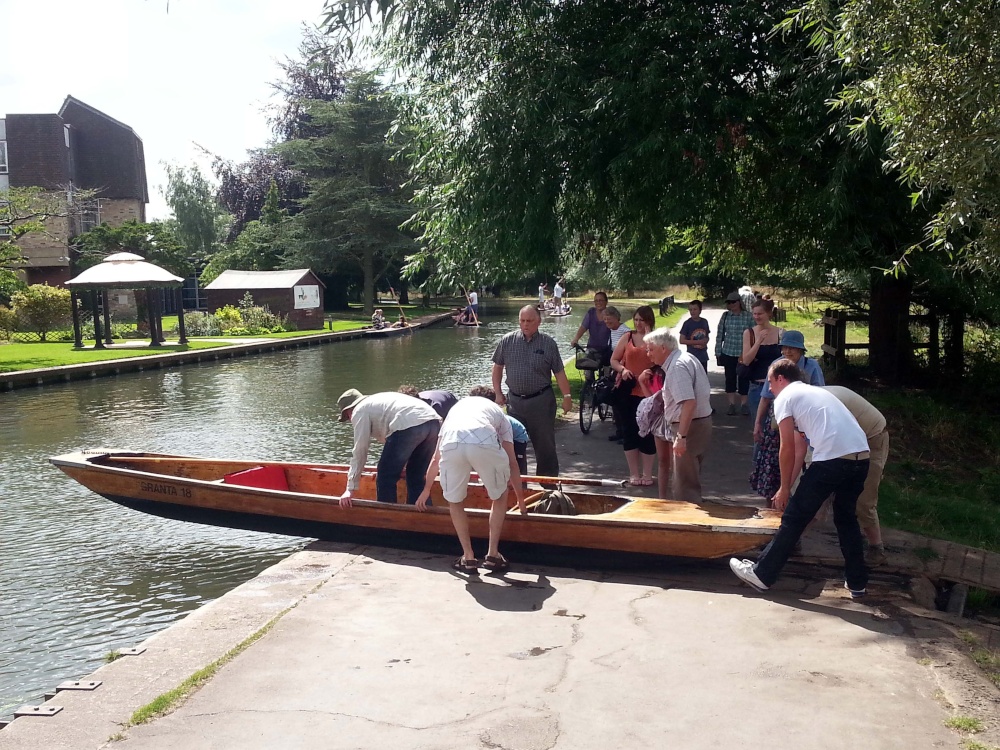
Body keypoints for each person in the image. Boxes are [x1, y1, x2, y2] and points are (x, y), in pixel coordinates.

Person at [730, 359, 870, 598]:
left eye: (770, 382)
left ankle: (762, 574)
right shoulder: (814, 393)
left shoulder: (786, 397)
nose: (769, 388)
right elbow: (800, 447)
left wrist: (785, 488)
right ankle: (857, 582)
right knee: (846, 519)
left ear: (781, 379)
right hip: (861, 457)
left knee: (794, 517)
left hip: (832, 459)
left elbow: (785, 447)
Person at [415, 387, 526, 573]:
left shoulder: (455, 410)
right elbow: (512, 463)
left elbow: (435, 459)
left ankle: (468, 557)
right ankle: (492, 554)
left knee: (455, 500)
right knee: (499, 495)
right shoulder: (499, 414)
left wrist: (426, 489)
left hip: (452, 442)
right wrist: (521, 501)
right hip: (483, 439)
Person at [492, 305, 574, 478]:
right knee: (513, 444)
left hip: (541, 401)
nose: (525, 324)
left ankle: (548, 484)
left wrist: (567, 396)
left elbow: (559, 372)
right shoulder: (507, 341)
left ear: (539, 322)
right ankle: (518, 483)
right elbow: (497, 367)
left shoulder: (548, 343)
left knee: (545, 446)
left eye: (529, 321)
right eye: (522, 321)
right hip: (514, 402)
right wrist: (498, 392)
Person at [640, 327, 713, 501]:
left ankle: (686, 523)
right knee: (689, 477)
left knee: (684, 484)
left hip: (690, 425)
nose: (648, 355)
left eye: (651, 349)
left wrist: (681, 436)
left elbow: (689, 402)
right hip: (699, 422)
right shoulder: (686, 358)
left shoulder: (677, 367)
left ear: (663, 348)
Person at [750, 330, 825, 500]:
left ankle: (795, 498)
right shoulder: (776, 365)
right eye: (784, 348)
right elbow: (765, 397)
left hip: (804, 418)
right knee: (774, 460)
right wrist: (757, 424)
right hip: (778, 416)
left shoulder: (811, 366)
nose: (787, 352)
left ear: (801, 350)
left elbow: (820, 392)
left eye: (792, 348)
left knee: (801, 457)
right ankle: (773, 501)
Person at [337, 389, 441, 508]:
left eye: (348, 418)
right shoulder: (377, 402)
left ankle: (388, 519)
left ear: (348, 412)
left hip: (409, 425)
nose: (351, 421)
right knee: (416, 475)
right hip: (434, 423)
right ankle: (422, 520)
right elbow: (399, 441)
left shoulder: (359, 411)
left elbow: (360, 449)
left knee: (385, 476)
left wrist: (350, 489)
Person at [823, 386, 889, 566]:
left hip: (871, 438)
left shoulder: (823, 408)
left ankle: (876, 548)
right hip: (847, 438)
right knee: (814, 493)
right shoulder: (809, 403)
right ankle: (792, 540)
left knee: (864, 498)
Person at [610, 305, 657, 486]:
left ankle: (647, 474)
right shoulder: (628, 337)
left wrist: (650, 336)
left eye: (641, 320)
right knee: (630, 432)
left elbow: (661, 359)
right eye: (636, 319)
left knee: (647, 434)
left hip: (648, 393)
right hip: (628, 392)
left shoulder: (655, 338)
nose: (638, 323)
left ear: (649, 321)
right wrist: (622, 370)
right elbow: (613, 360)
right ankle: (634, 473)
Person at [742, 298, 783, 428]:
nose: (756, 317)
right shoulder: (749, 333)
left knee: (778, 428)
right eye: (754, 314)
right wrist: (758, 341)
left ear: (769, 314)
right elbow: (746, 360)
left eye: (760, 314)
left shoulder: (781, 333)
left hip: (778, 387)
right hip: (757, 387)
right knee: (759, 428)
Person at [715, 292, 754, 416]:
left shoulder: (748, 316)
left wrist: (753, 352)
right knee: (730, 379)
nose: (731, 304)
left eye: (733, 302)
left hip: (744, 353)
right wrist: (718, 351)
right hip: (728, 352)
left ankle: (744, 404)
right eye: (729, 302)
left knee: (744, 379)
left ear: (739, 302)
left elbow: (753, 335)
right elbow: (720, 334)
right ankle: (731, 404)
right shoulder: (726, 316)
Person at [603, 306, 631, 443]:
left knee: (622, 403)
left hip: (623, 370)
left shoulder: (624, 331)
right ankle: (620, 431)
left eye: (609, 318)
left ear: (617, 317)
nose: (607, 321)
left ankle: (626, 434)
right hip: (615, 369)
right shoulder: (611, 331)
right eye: (605, 319)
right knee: (615, 402)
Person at [570, 291, 612, 367]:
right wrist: (576, 339)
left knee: (607, 374)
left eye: (601, 300)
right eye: (596, 300)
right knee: (587, 369)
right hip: (591, 347)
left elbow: (616, 327)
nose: (598, 302)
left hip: (606, 349)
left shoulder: (610, 314)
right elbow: (583, 327)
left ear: (606, 302)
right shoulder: (591, 312)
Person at [678, 299, 711, 372]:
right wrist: (697, 342)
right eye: (690, 310)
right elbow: (682, 340)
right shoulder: (687, 324)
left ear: (700, 310)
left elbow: (706, 336)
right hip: (692, 355)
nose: (692, 312)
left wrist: (706, 340)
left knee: (703, 376)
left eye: (695, 309)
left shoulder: (704, 322)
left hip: (703, 355)